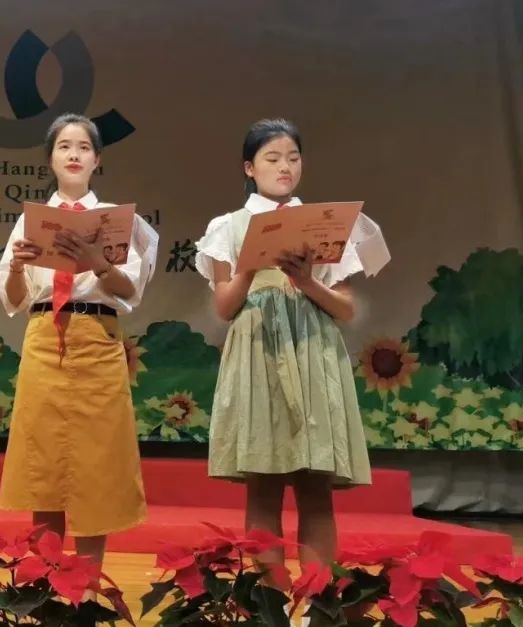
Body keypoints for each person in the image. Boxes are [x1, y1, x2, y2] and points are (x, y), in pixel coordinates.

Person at [194, 118, 371, 576]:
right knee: (263, 486)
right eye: (272, 158)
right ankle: (269, 600)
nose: (284, 166)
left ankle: (318, 601)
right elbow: (224, 307)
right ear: (249, 168)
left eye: (293, 158)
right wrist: (251, 265)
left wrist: (306, 281)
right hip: (258, 353)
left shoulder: (323, 224)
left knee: (315, 487)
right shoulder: (227, 227)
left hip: (313, 351)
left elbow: (346, 307)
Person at [0, 112, 158, 571]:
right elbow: (13, 298)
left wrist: (97, 262)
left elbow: (130, 290)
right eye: (64, 146)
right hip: (46, 338)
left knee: (96, 469)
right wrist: (18, 267)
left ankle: (86, 586)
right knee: (43, 466)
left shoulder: (120, 221)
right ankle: (44, 588)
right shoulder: (30, 222)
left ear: (97, 159)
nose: (74, 154)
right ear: (50, 158)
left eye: (84, 147)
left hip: (98, 339)